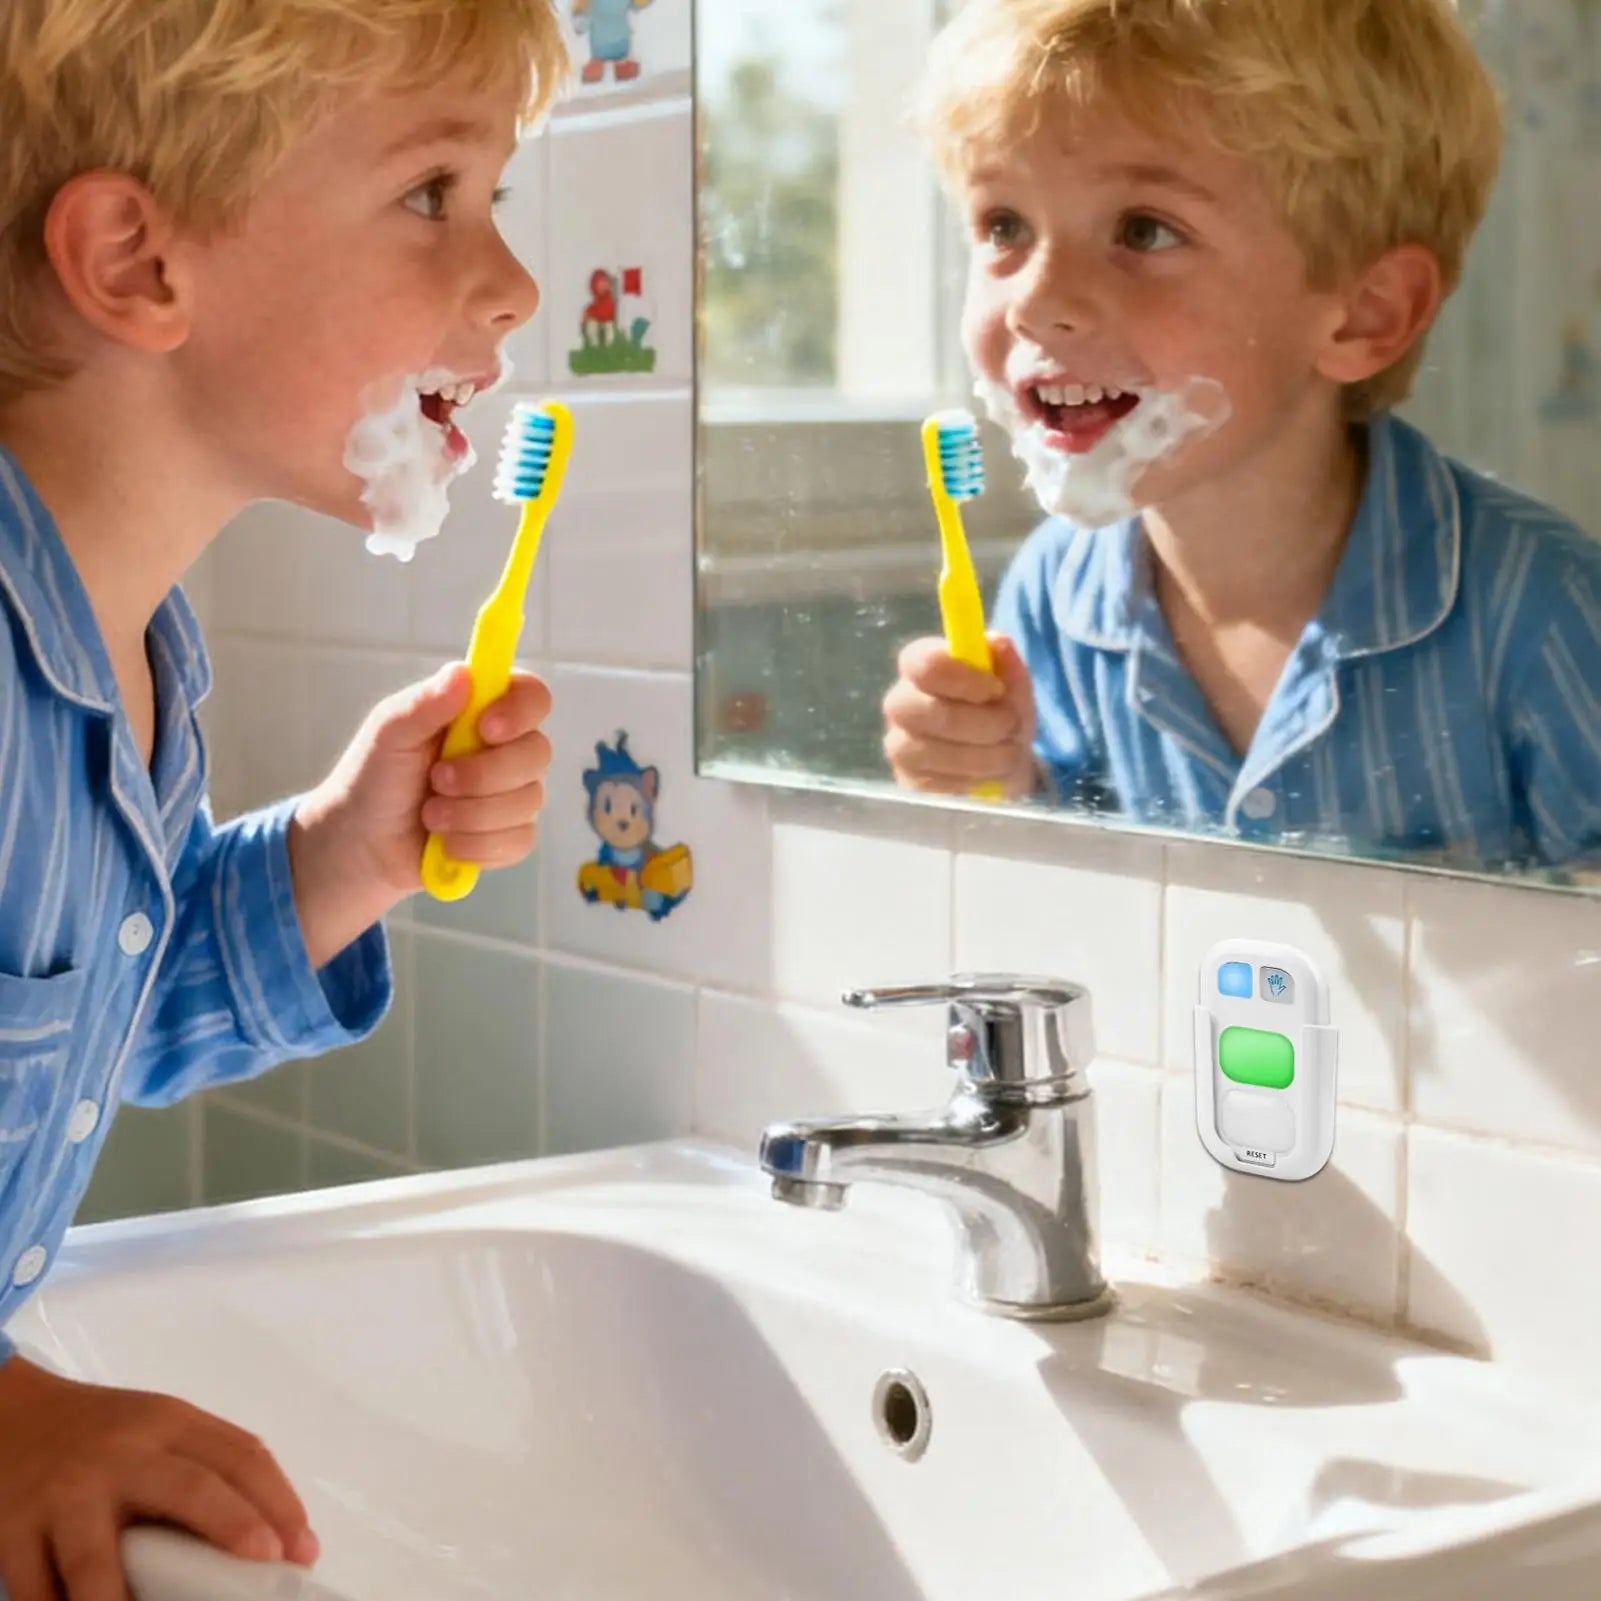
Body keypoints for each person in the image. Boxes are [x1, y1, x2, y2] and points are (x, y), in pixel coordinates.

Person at [0, 2, 566, 1595]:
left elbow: (60, 1033)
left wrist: (334, 860)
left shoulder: (140, 646)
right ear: (138, 262)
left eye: (495, 198)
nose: (512, 284)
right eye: (431, 194)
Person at [884, 0, 1601, 871]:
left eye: (1142, 230)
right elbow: (1067, 912)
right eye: (1004, 226)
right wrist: (992, 783)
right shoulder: (1048, 600)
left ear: (1364, 314)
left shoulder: (1541, 608)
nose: (1035, 302)